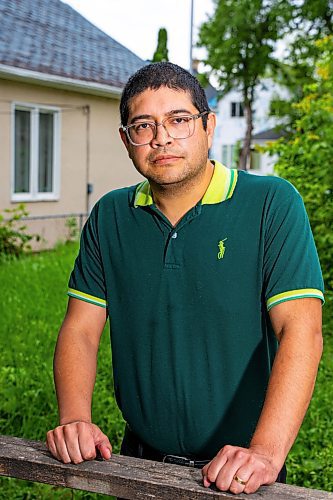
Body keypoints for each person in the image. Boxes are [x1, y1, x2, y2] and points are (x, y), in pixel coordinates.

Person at [46, 62, 324, 495]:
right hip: (136, 464)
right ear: (126, 140)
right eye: (143, 125)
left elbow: (301, 331)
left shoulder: (272, 203)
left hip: (242, 471)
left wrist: (266, 453)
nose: (162, 138)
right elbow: (80, 329)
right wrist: (74, 418)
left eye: (179, 120)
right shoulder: (109, 216)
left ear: (209, 126)